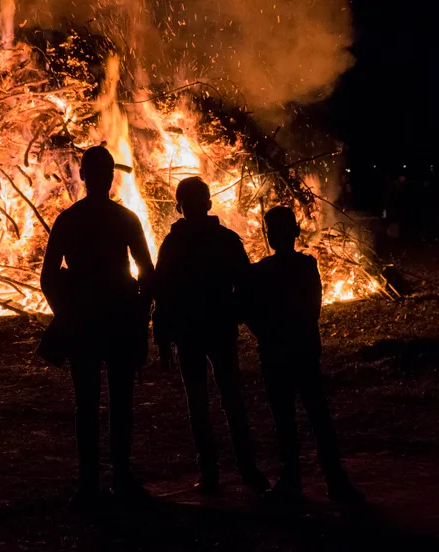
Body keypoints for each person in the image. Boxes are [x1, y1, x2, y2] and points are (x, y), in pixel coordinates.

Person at [39, 146, 154, 510]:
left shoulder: (68, 220)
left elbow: (47, 278)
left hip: (85, 322)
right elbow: (147, 273)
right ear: (109, 177)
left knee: (85, 404)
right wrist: (141, 310)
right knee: (121, 402)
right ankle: (121, 478)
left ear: (84, 177)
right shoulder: (125, 219)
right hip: (118, 318)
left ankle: (89, 484)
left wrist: (67, 314)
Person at [154, 176, 270, 494]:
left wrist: (163, 333)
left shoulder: (178, 243)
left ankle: (215, 473)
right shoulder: (222, 240)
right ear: (204, 203)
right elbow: (164, 291)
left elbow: (161, 292)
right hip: (210, 330)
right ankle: (241, 470)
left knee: (205, 403)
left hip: (197, 330)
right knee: (225, 399)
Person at [241, 206, 364, 505]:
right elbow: (312, 310)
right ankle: (334, 480)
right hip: (303, 350)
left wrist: (268, 335)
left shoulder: (260, 272)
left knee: (287, 419)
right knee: (316, 415)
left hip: (278, 354)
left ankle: (293, 480)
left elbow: (249, 311)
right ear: (296, 233)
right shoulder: (306, 266)